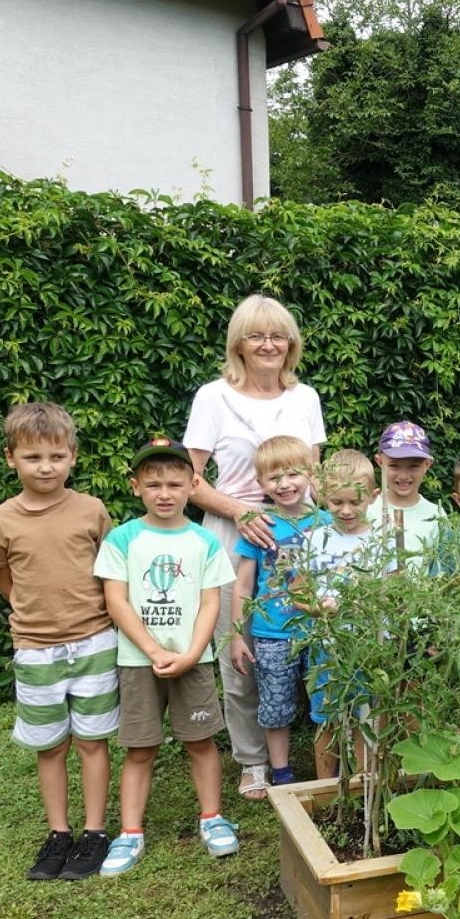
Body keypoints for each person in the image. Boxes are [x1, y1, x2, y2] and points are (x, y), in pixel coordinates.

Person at [184, 294, 325, 803]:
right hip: (232, 528)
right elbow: (188, 480)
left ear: (291, 343)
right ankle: (253, 762)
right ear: (238, 344)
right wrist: (242, 511)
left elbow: (314, 475)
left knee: (312, 639)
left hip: (298, 532)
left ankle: (321, 749)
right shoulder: (213, 397)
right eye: (256, 335)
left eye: (278, 335)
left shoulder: (305, 397)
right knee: (241, 649)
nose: (268, 344)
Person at [0, 403, 119, 881]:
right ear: (10, 458)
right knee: (51, 744)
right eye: (34, 457)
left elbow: (111, 569)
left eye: (56, 456)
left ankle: (95, 832)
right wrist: (36, 619)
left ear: (73, 457)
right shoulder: (1, 520)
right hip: (35, 646)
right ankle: (59, 832)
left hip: (95, 640)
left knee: (92, 740)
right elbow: (5, 577)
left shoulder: (91, 510)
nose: (46, 467)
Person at [93, 438, 237, 876]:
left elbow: (211, 603)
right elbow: (116, 600)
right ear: (136, 486)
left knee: (201, 741)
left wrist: (193, 653)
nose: (164, 493)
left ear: (193, 485)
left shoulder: (204, 541)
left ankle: (212, 818)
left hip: (194, 659)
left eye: (175, 483)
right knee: (140, 748)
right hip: (138, 662)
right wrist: (153, 649)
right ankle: (130, 832)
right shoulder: (123, 538)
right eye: (153, 484)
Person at [227, 435, 323, 796]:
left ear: (310, 474)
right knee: (276, 702)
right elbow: (243, 586)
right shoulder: (259, 525)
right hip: (272, 632)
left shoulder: (327, 522)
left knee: (325, 699)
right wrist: (238, 634)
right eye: (274, 478)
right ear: (260, 483)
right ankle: (281, 774)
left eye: (293, 474)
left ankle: (326, 769)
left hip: (320, 632)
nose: (284, 484)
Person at [299, 449, 381, 778]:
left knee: (365, 717)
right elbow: (297, 593)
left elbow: (393, 589)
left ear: (373, 497)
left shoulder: (383, 540)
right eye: (336, 502)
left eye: (354, 502)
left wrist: (371, 603)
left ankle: (363, 782)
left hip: (368, 648)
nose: (346, 510)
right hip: (327, 648)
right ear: (322, 498)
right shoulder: (314, 538)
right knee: (327, 718)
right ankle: (324, 787)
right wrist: (318, 608)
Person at [371, 421, 444, 572]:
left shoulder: (437, 515)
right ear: (379, 461)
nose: (403, 475)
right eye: (394, 466)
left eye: (413, 466)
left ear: (427, 464)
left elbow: (442, 569)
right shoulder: (368, 510)